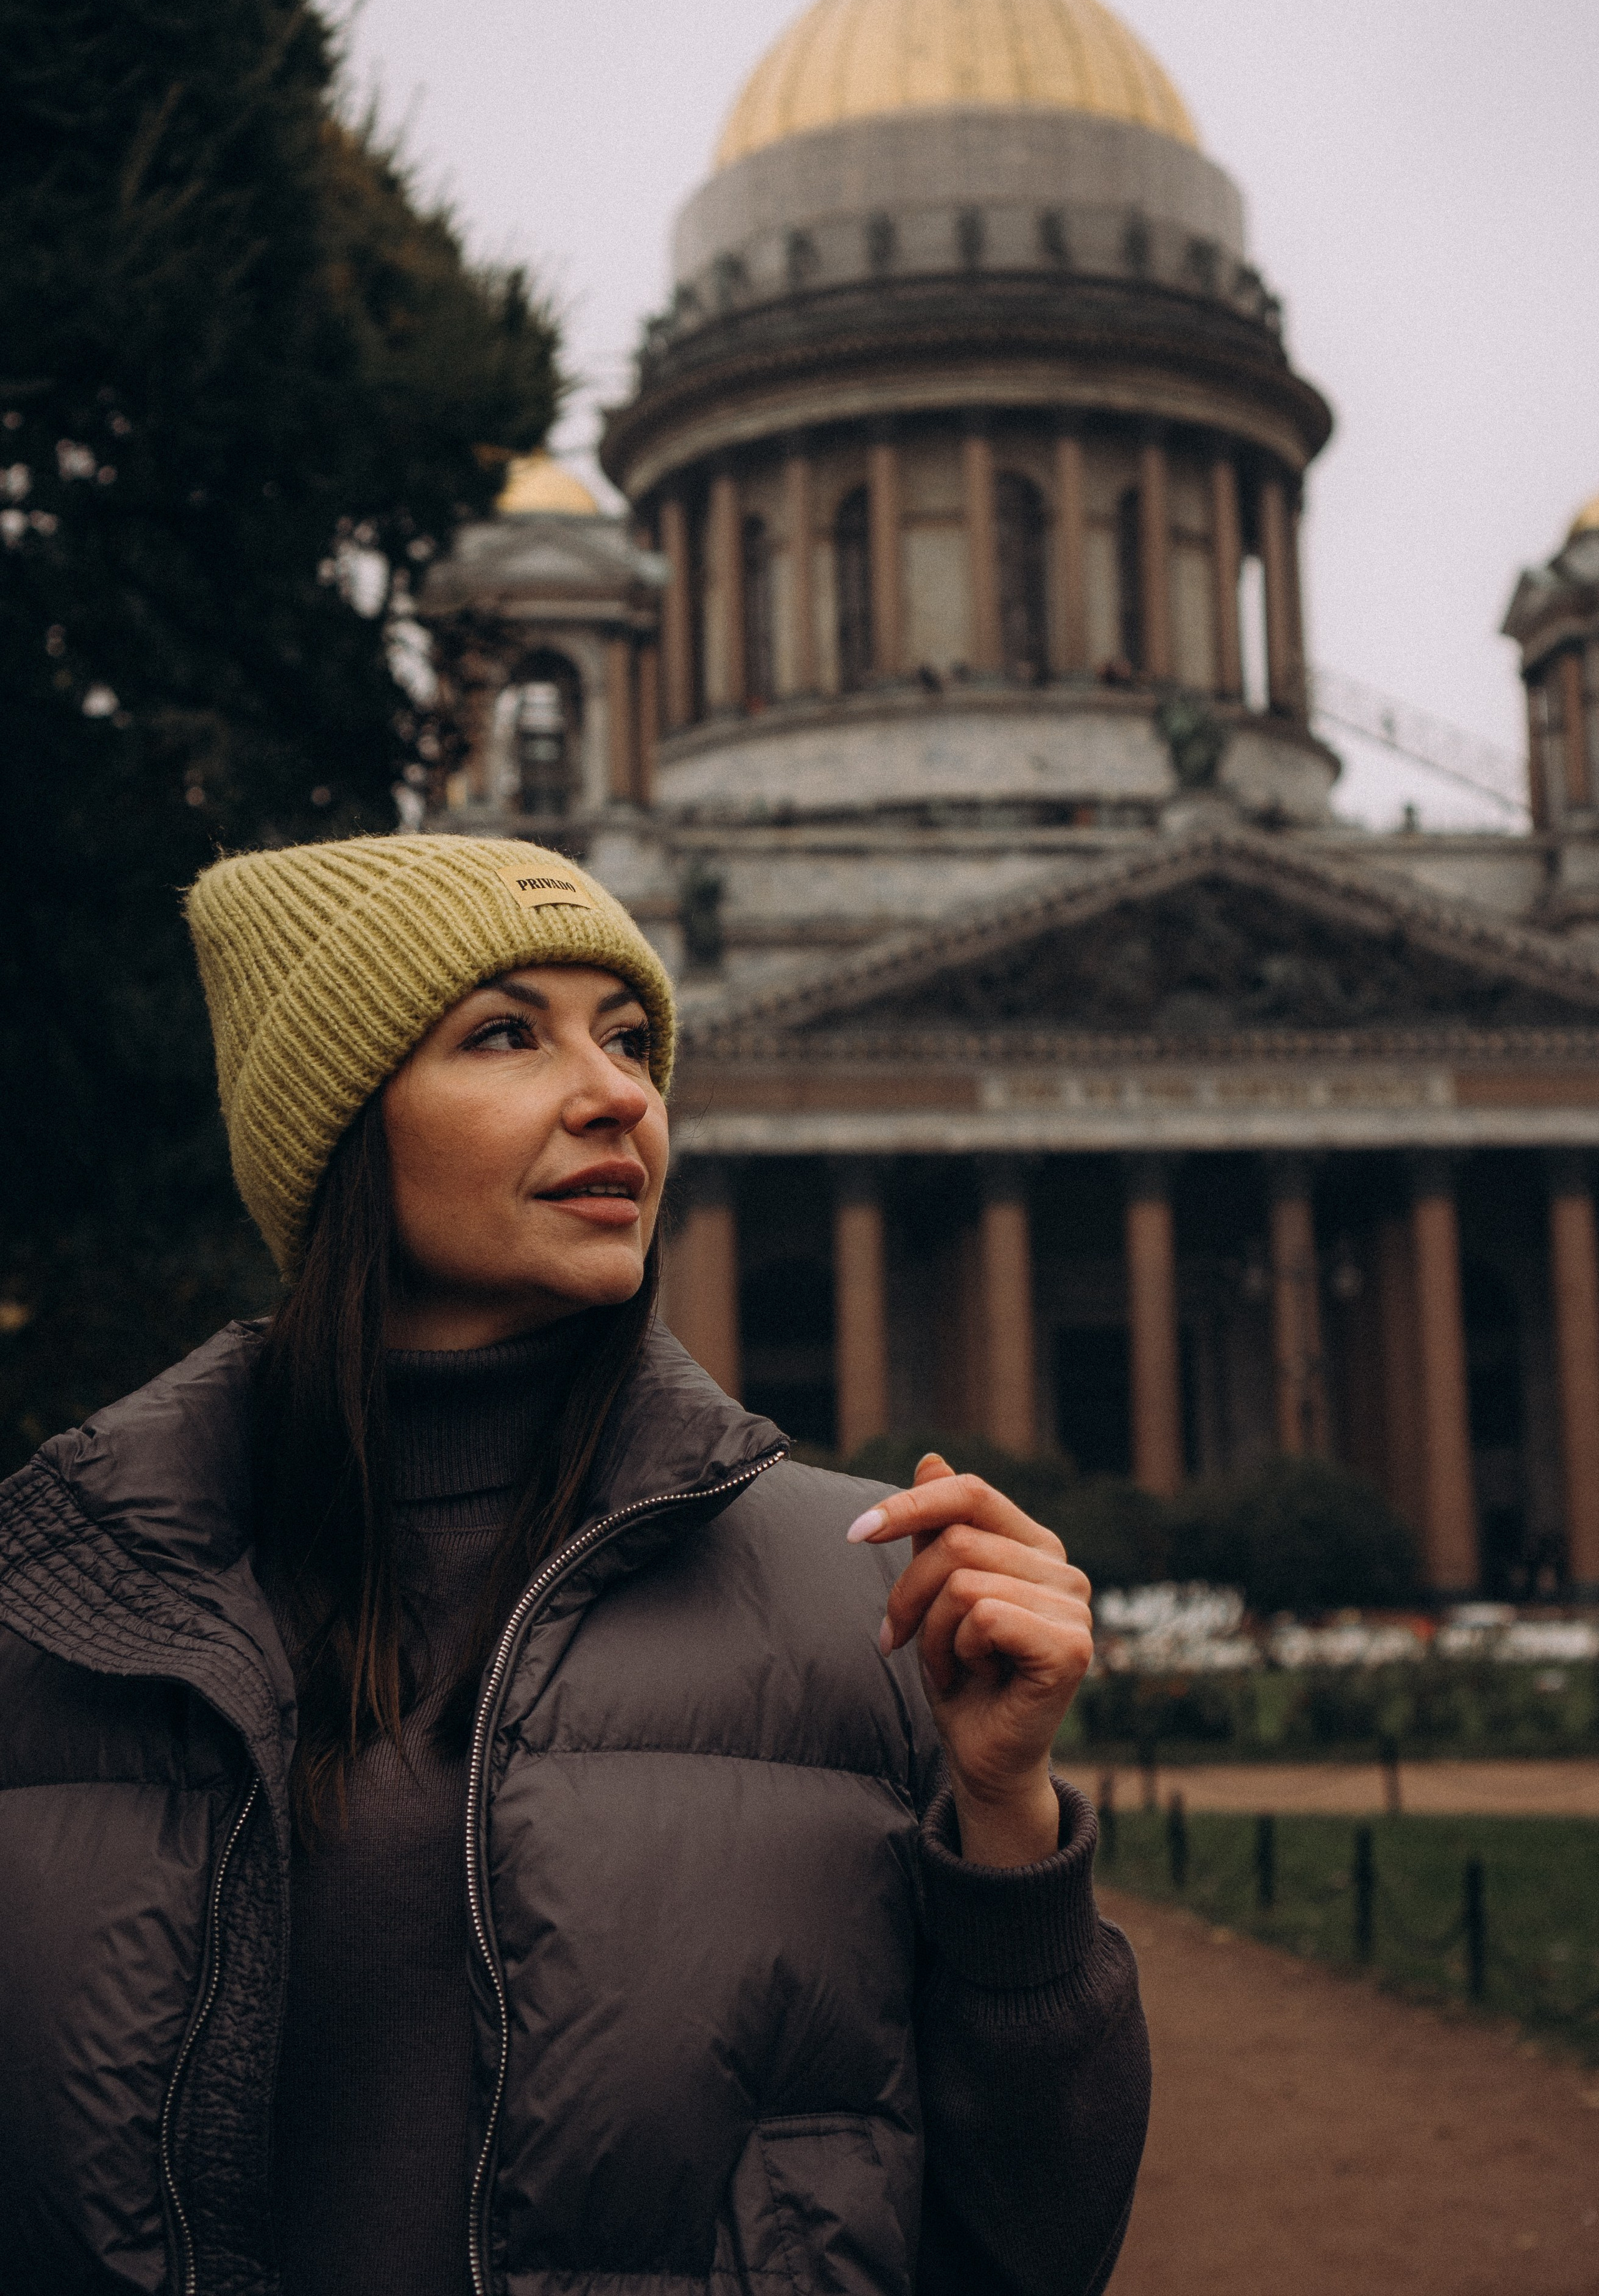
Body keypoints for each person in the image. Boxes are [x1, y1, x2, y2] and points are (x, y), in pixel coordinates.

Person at [0, 834, 1148, 2296]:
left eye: (627, 1040)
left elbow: (1028, 2251)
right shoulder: (55, 1614)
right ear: (341, 1125)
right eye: (504, 1036)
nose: (620, 1093)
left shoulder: (866, 1595)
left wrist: (1007, 1827)